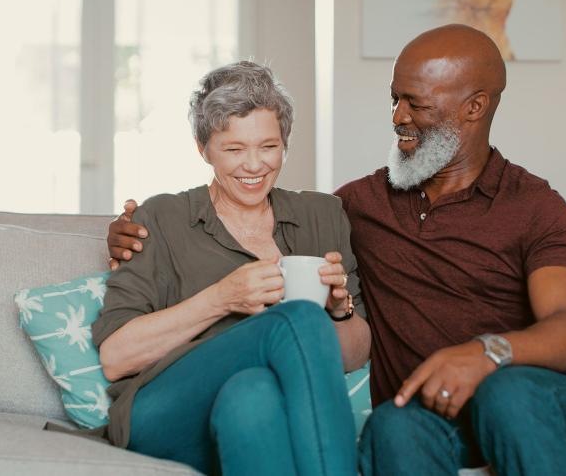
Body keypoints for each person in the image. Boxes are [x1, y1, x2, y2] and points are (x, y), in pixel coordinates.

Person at [110, 25, 566, 475]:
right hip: (425, 411)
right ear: (205, 149)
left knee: (508, 393)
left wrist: (487, 354)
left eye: (415, 103)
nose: (397, 117)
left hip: (530, 399)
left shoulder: (535, 205)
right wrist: (123, 233)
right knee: (391, 424)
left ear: (473, 107)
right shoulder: (359, 205)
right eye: (394, 100)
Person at [99, 61, 370, 475]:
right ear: (203, 148)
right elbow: (116, 358)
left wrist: (339, 310)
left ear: (285, 144)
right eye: (233, 149)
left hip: (251, 406)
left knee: (252, 396)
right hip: (164, 412)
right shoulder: (161, 217)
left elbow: (355, 353)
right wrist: (222, 297)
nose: (254, 165)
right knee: (295, 318)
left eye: (268, 146)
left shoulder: (323, 215)